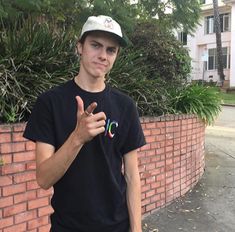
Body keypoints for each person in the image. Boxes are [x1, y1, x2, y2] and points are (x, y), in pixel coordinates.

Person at [23, 15, 146, 232]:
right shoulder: (50, 103)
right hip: (67, 226)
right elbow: (43, 179)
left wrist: (136, 229)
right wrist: (77, 138)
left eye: (111, 50)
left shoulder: (125, 106)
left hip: (117, 226)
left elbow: (132, 176)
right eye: (95, 45)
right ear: (80, 47)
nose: (103, 55)